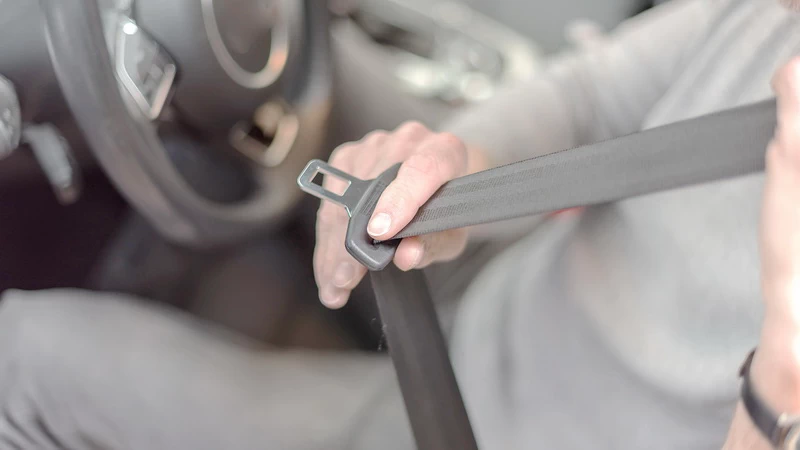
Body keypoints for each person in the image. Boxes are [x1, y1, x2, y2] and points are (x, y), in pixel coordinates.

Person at [2, 0, 800, 448]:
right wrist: (456, 166)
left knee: (23, 361)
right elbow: (592, 98)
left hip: (484, 428)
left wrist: (780, 382)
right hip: (511, 287)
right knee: (299, 58)